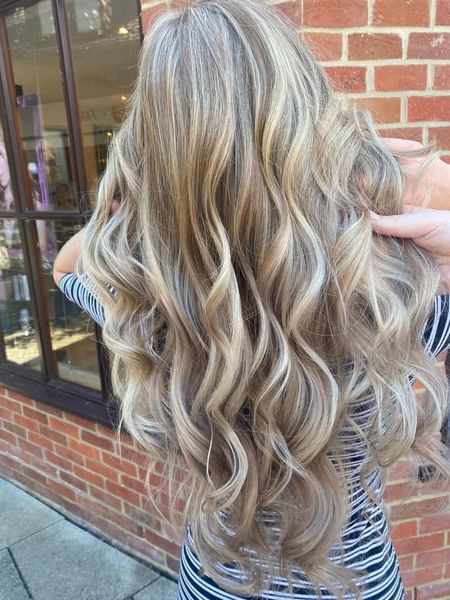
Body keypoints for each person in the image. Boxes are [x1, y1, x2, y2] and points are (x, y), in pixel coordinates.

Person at [52, 1, 450, 598]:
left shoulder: (146, 312)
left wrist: (142, 194)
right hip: (360, 584)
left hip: (214, 581)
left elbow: (65, 266)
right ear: (312, 122)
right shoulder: (397, 306)